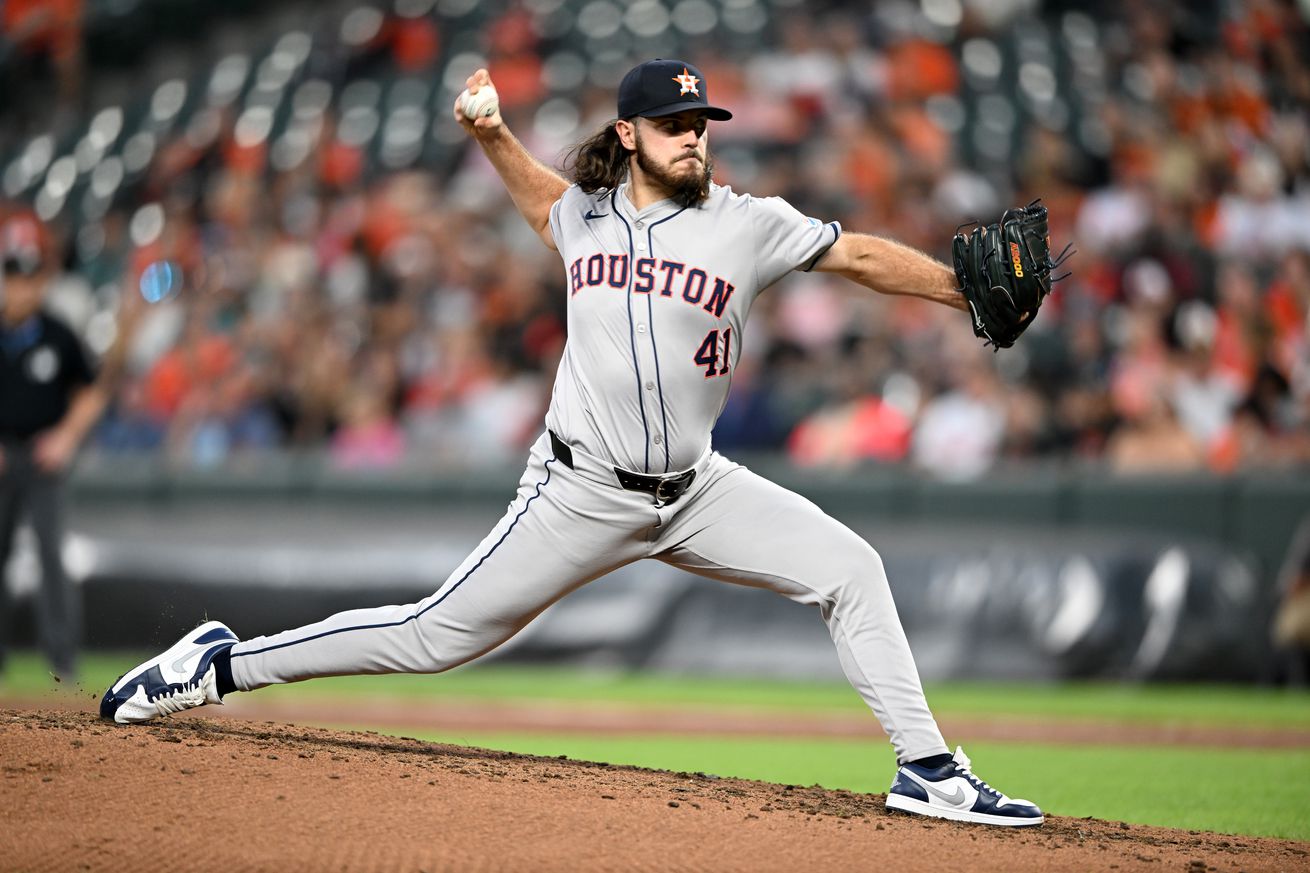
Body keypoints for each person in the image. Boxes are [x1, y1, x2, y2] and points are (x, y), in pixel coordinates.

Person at [100, 60, 1043, 827]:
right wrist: (489, 135)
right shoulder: (581, 216)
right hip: (579, 491)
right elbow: (538, 198)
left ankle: (928, 769)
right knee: (435, 636)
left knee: (851, 566)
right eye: (676, 124)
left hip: (698, 489)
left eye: (702, 123)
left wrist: (959, 293)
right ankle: (217, 663)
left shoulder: (747, 223)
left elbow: (859, 256)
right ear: (630, 135)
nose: (695, 137)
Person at [0, 213, 106, 680]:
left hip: (43, 459)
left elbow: (91, 391)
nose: (21, 287)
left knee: (51, 556)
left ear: (41, 280)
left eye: (29, 276)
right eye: (14, 276)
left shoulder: (58, 334)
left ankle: (62, 662)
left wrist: (65, 438)